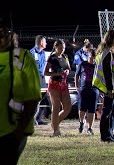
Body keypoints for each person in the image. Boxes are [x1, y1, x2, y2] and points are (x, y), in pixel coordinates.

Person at [0, 19, 41, 164]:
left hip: (12, 132)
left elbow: (33, 98)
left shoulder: (22, 57)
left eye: (3, 33)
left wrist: (18, 133)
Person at [92, 29, 114, 143]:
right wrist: (110, 89)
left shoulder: (106, 51)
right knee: (107, 112)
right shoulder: (107, 53)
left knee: (111, 112)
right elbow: (108, 72)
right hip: (108, 88)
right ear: (111, 39)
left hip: (110, 87)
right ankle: (105, 136)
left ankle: (109, 134)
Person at [44, 40, 72, 136]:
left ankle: (54, 123)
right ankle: (56, 130)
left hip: (63, 84)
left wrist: (67, 71)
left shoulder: (65, 56)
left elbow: (68, 68)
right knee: (56, 106)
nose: (62, 50)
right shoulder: (52, 58)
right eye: (60, 48)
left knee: (67, 107)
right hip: (54, 84)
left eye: (63, 48)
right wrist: (57, 73)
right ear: (56, 47)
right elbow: (45, 72)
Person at [75, 49, 99, 135]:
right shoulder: (83, 64)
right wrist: (77, 86)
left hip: (94, 90)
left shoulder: (97, 66)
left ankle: (90, 128)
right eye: (91, 57)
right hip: (84, 89)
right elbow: (77, 75)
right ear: (88, 56)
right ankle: (81, 122)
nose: (92, 59)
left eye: (94, 57)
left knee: (92, 110)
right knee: (82, 108)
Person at [30, 35, 50, 125]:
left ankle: (38, 119)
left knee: (44, 97)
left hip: (41, 77)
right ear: (41, 42)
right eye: (45, 41)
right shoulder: (32, 52)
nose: (46, 43)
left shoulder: (43, 53)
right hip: (34, 77)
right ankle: (31, 119)